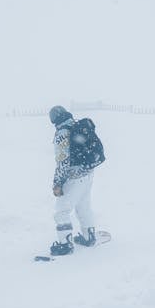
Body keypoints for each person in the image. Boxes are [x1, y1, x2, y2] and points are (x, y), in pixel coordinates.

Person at [48, 105, 97, 256]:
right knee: (83, 206)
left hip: (74, 177)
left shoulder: (62, 133)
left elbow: (63, 162)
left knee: (61, 212)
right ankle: (89, 236)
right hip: (88, 174)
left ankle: (65, 244)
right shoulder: (76, 125)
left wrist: (58, 183)